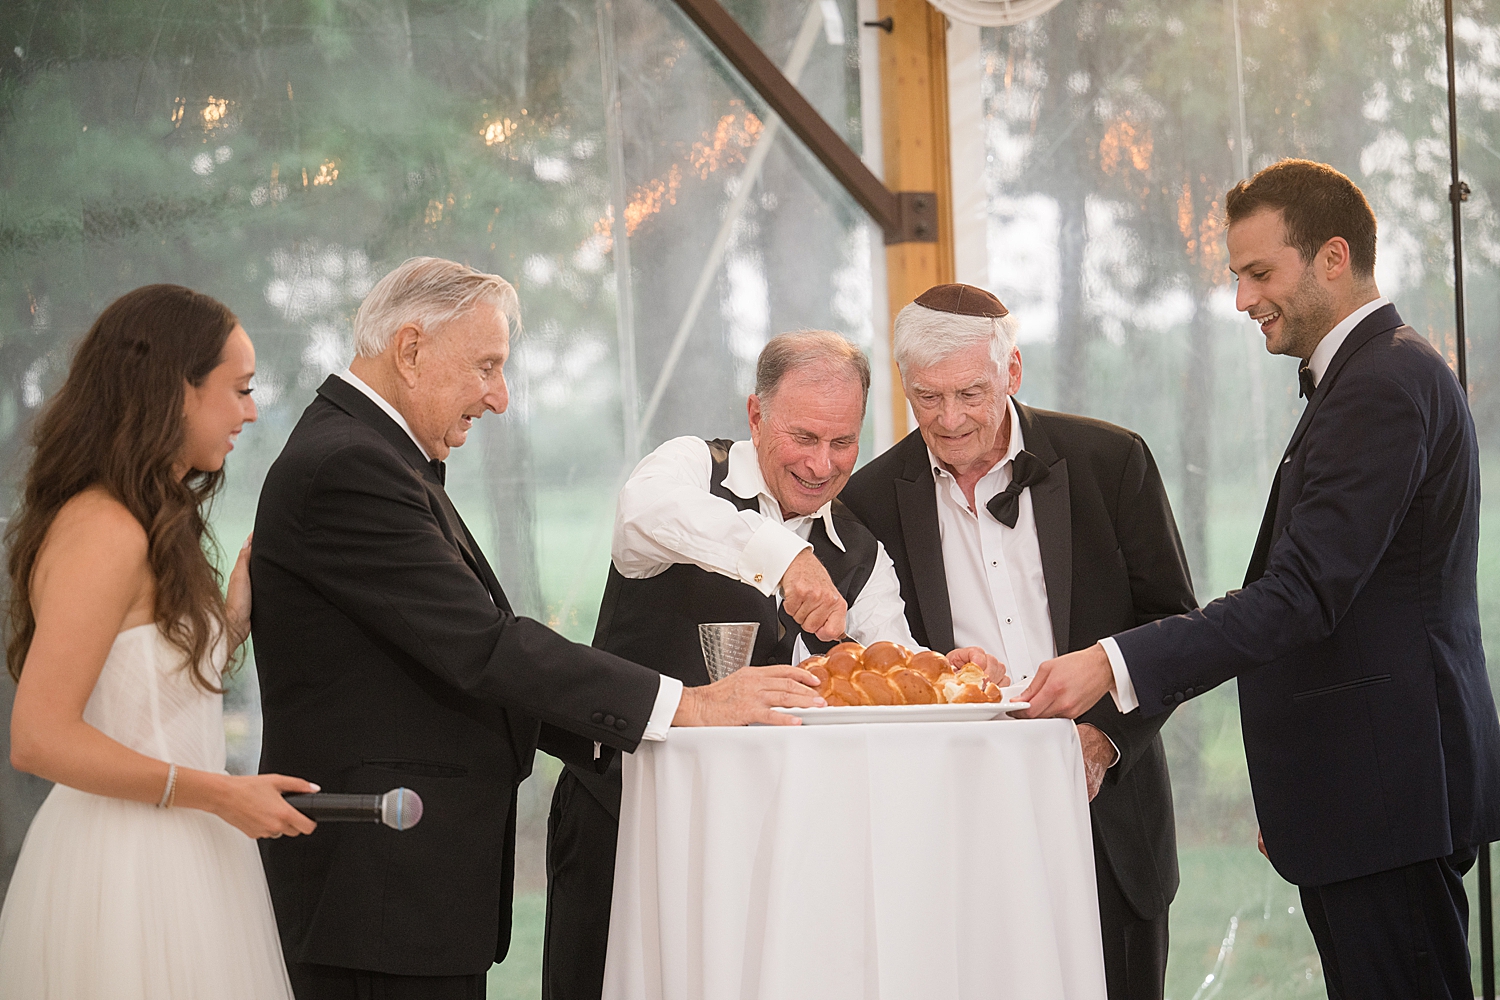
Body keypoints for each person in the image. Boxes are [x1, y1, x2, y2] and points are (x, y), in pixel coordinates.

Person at [250, 257, 822, 999]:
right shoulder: (350, 465)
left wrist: (633, 747)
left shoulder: (372, 454)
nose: (499, 396)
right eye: (486, 366)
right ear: (412, 349)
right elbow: (483, 646)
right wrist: (688, 705)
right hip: (377, 892)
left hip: (400, 894)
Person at [1020, 160, 1500, 999]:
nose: (1243, 299)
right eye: (1238, 276)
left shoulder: (1382, 383)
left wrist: (1113, 661)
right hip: (1369, 793)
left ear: (1332, 257)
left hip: (1388, 792)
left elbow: (1303, 595)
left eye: (1259, 272)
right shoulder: (1369, 377)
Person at [544, 329, 1005, 1000]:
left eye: (843, 443)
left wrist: (949, 670)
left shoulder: (860, 554)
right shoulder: (688, 471)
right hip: (622, 813)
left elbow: (897, 671)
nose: (822, 465)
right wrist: (781, 557)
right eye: (805, 438)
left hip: (770, 848)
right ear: (756, 416)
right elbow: (644, 513)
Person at [838, 284, 1195, 1000]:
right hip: (954, 822)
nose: (950, 419)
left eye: (971, 392)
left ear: (1014, 372)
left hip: (1107, 813)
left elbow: (1174, 627)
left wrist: (1104, 738)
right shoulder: (871, 497)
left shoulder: (1111, 460)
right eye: (927, 397)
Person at [0, 285, 316, 999]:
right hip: (126, 874)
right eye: (238, 389)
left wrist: (230, 619)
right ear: (175, 389)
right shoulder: (106, 530)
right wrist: (220, 795)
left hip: (188, 850)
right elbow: (39, 738)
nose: (251, 411)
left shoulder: (148, 520)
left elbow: (142, 681)